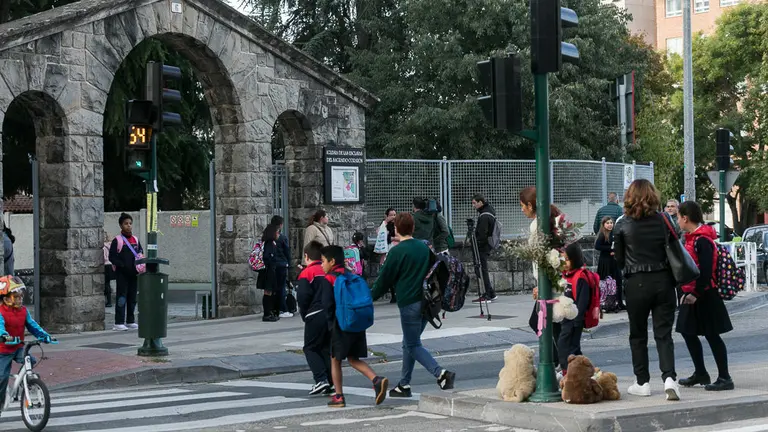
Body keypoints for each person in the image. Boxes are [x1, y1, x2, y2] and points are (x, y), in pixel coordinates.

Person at [371, 212, 456, 397]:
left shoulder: (397, 251)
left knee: (412, 344)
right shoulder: (423, 247)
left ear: (396, 228)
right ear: (413, 228)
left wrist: (369, 297)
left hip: (409, 302)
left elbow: (384, 280)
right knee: (409, 343)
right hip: (427, 302)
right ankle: (404, 384)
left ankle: (441, 373)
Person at [614, 179, 680, 401]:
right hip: (663, 281)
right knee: (664, 334)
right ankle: (669, 379)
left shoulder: (622, 223)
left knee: (638, 335)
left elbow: (619, 259)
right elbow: (674, 246)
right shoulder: (664, 220)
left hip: (636, 282)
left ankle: (642, 382)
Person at [676, 201, 734, 391]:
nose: (677, 221)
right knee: (687, 331)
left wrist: (695, 293)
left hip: (706, 294)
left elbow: (707, 271)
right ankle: (700, 373)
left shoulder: (702, 240)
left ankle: (725, 377)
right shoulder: (691, 239)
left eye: (678, 217)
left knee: (712, 335)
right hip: (693, 293)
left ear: (685, 218)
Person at [322, 245, 388, 408]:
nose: (322, 265)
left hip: (340, 324)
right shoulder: (351, 275)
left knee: (335, 359)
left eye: (323, 261)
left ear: (332, 261)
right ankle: (376, 380)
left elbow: (327, 305)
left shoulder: (329, 279)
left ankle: (339, 396)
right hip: (356, 322)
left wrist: (329, 326)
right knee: (353, 358)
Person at [520, 186, 564, 370]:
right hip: (555, 278)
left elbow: (541, 257)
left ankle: (556, 361)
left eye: (522, 206)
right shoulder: (552, 219)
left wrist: (541, 284)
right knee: (554, 324)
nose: (522, 209)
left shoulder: (537, 224)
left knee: (540, 322)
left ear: (530, 205)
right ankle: (561, 361)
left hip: (548, 281)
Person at [0, 276, 53, 409]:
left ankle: (24, 380)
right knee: (2, 377)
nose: (20, 299)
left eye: (21, 296)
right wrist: (4, 336)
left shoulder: (23, 311)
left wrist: (45, 336)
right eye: (16, 297)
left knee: (31, 361)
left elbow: (32, 325)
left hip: (18, 347)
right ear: (6, 299)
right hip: (3, 350)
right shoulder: (1, 312)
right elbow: (0, 327)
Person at [296, 240, 334, 396]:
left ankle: (320, 379)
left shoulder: (307, 273)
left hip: (315, 313)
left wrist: (305, 315)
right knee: (325, 348)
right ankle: (331, 381)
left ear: (306, 256)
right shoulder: (328, 270)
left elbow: (303, 297)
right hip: (331, 313)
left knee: (310, 348)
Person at [558, 243, 591, 374]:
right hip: (566, 318)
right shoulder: (566, 275)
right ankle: (584, 371)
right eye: (562, 259)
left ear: (575, 258)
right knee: (574, 349)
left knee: (567, 347)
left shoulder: (580, 277)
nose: (564, 263)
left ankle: (567, 372)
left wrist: (577, 321)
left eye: (567, 259)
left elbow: (582, 301)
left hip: (574, 319)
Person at [109, 213, 143, 331]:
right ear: (121, 225)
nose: (128, 226)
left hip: (134, 274)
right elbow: (112, 257)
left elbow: (140, 253)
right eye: (126, 223)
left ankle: (130, 320)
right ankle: (118, 322)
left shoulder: (136, 240)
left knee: (132, 298)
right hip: (122, 274)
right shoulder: (117, 240)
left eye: (130, 223)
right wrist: (121, 265)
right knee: (121, 297)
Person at [470, 194, 498, 303]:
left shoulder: (484, 216)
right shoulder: (489, 211)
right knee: (483, 269)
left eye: (474, 203)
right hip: (487, 246)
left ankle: (486, 295)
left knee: (481, 270)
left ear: (480, 202)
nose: (473, 205)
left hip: (482, 247)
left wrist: (477, 244)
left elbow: (482, 234)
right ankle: (491, 293)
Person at [595, 216, 625, 310]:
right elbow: (597, 246)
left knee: (618, 281)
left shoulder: (614, 233)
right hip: (606, 262)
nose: (609, 225)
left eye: (611, 223)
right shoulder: (602, 234)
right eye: (607, 223)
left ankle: (619, 303)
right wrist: (610, 249)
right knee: (607, 283)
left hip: (614, 261)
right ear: (603, 224)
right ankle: (607, 304)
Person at [373, 208, 398, 302]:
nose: (393, 217)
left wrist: (391, 238)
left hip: (395, 251)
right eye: (391, 215)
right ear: (386, 216)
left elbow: (401, 237)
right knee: (388, 274)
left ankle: (396, 294)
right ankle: (392, 294)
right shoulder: (383, 226)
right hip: (386, 253)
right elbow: (379, 235)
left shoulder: (398, 225)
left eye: (394, 215)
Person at [270, 215, 292, 318]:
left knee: (273, 288)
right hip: (281, 264)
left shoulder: (268, 236)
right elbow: (287, 252)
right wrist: (289, 263)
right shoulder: (282, 237)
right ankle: (283, 309)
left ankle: (273, 309)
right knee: (282, 287)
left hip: (271, 265)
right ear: (280, 225)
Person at [258, 223, 281, 322]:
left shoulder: (268, 242)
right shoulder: (269, 243)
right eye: (277, 232)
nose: (278, 234)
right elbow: (267, 256)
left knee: (270, 292)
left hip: (267, 270)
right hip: (268, 271)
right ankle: (267, 314)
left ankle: (269, 312)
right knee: (268, 292)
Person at [103, 232, 114, 308]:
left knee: (106, 284)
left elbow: (104, 258)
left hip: (106, 265)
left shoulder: (104, 247)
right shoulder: (112, 246)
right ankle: (109, 301)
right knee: (108, 283)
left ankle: (108, 301)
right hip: (111, 265)